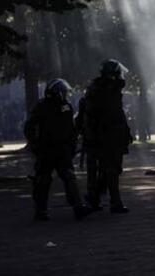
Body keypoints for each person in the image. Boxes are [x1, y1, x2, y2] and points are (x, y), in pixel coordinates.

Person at [24, 79, 92, 221]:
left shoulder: (66, 106)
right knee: (42, 180)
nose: (66, 95)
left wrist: (72, 145)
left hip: (62, 149)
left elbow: (71, 129)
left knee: (69, 177)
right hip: (46, 149)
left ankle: (78, 207)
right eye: (64, 92)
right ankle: (40, 211)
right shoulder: (42, 107)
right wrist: (35, 144)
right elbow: (29, 126)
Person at [83, 59, 133, 213]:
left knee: (109, 170)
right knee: (112, 170)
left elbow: (118, 114)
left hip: (108, 135)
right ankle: (112, 202)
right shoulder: (107, 91)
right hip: (107, 136)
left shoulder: (103, 89)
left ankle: (95, 198)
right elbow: (112, 115)